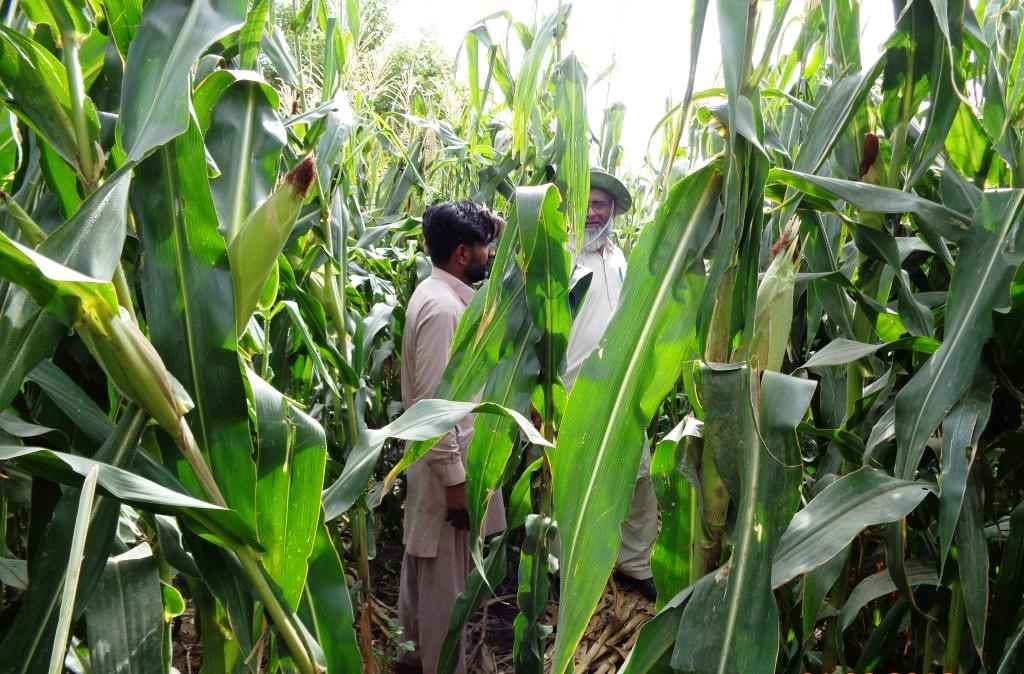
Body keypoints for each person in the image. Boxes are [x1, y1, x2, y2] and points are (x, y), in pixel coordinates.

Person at [394, 201, 506, 674]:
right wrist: (457, 482)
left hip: (446, 469)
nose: (490, 254)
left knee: (425, 573)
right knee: (444, 591)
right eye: (484, 247)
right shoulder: (443, 309)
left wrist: (497, 229)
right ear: (463, 253)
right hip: (448, 473)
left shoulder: (443, 293)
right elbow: (433, 409)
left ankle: (410, 659)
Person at [565, 169, 659, 602]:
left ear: (613, 211)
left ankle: (634, 563)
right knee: (565, 478)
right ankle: (560, 565)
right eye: (585, 202)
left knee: (639, 475)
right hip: (569, 391)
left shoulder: (619, 258)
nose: (590, 212)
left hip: (619, 388)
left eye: (599, 204)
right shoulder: (561, 255)